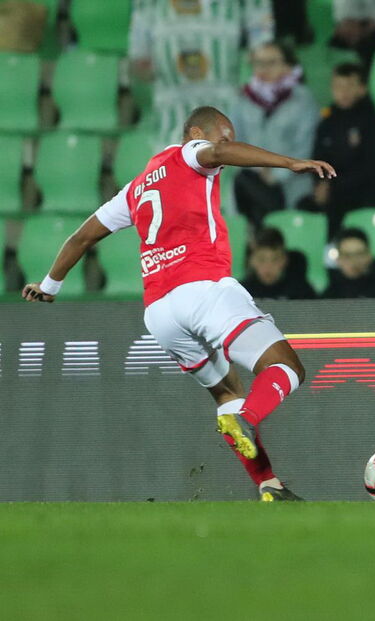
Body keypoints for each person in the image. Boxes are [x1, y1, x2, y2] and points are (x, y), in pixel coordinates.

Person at [21, 106, 337, 502]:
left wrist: (50, 285)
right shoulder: (190, 154)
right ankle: (248, 419)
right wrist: (291, 162)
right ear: (195, 134)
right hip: (204, 288)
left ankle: (268, 485)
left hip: (159, 313)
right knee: (286, 367)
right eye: (222, 136)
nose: (224, 145)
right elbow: (218, 154)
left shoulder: (134, 189)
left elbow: (81, 237)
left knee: (227, 393)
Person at [129, 0, 274, 145]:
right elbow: (142, 13)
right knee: (172, 147)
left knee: (224, 144)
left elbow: (258, 13)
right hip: (171, 98)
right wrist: (140, 51)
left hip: (222, 88)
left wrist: (261, 48)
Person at [231, 40, 319, 227]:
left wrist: (276, 175)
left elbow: (305, 146)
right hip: (253, 178)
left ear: (288, 66)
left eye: (271, 63)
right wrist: (260, 170)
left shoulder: (303, 100)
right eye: (259, 63)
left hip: (291, 182)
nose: (264, 69)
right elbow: (234, 141)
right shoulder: (243, 98)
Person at [309, 62, 375, 237]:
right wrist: (322, 183)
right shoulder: (327, 122)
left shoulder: (372, 123)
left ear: (362, 89)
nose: (343, 92)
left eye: (349, 86)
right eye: (338, 86)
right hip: (333, 190)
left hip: (363, 193)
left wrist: (334, 186)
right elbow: (317, 157)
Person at [241, 227, 317, 300]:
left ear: (284, 260)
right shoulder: (242, 293)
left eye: (275, 259)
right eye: (261, 260)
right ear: (251, 262)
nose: (268, 267)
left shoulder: (301, 291)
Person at [323, 228, 375, 298]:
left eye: (359, 254)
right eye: (347, 255)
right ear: (338, 260)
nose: (353, 261)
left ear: (369, 256)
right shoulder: (329, 298)